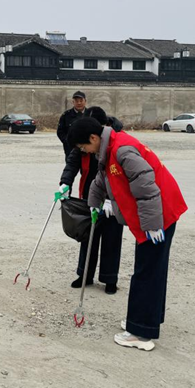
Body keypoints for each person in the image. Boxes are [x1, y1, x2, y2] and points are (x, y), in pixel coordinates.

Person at [68, 116, 187, 352]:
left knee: (147, 271)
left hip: (159, 216)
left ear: (93, 138)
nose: (86, 152)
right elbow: (103, 177)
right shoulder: (109, 148)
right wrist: (94, 202)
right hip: (153, 216)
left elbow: (146, 186)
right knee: (151, 268)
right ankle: (145, 320)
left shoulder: (122, 150)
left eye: (84, 147)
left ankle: (141, 332)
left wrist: (153, 224)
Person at [57, 107, 124, 293]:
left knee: (112, 238)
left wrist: (113, 198)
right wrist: (65, 183)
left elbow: (121, 174)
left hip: (113, 199)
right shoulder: (85, 137)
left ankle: (110, 279)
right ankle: (85, 274)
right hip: (89, 194)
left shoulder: (116, 141)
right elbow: (72, 162)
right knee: (88, 236)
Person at [56, 91, 88, 156]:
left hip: (88, 150)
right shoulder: (66, 115)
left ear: (85, 101)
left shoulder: (91, 114)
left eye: (81, 101)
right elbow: (60, 132)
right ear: (73, 102)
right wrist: (67, 142)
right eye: (76, 101)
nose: (79, 103)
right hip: (70, 150)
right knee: (71, 166)